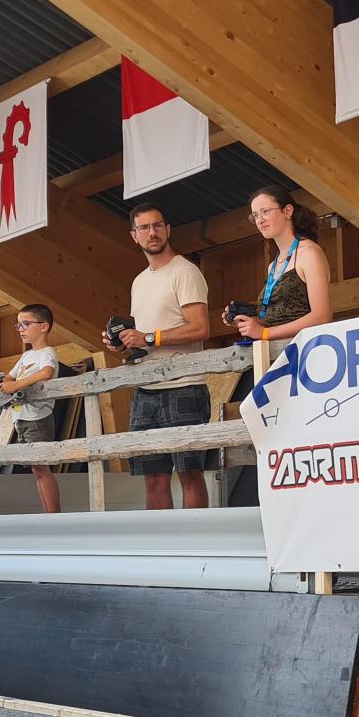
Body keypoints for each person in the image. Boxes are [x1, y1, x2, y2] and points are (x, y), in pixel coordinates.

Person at [112, 202, 215, 510]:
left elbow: (200, 328)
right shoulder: (139, 281)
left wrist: (148, 337)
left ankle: (195, 539)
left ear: (168, 230)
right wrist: (124, 342)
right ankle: (164, 541)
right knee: (153, 479)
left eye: (157, 225)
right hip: (145, 389)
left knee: (189, 474)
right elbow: (143, 335)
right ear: (134, 236)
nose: (152, 232)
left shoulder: (185, 271)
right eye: (144, 228)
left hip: (184, 385)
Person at [230, 184, 333, 345]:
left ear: (287, 211)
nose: (260, 220)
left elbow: (322, 316)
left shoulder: (309, 253)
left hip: (306, 351)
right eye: (255, 215)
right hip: (279, 352)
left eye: (265, 211)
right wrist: (248, 322)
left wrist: (264, 333)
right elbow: (278, 319)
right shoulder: (273, 265)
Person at [0, 303, 63, 515]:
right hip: (22, 416)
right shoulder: (26, 356)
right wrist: (5, 383)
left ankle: (53, 515)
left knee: (41, 467)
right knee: (36, 469)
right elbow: (9, 376)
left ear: (44, 326)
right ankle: (49, 514)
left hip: (38, 417)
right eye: (18, 325)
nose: (20, 329)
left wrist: (17, 385)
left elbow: (46, 373)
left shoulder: (47, 352)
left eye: (26, 324)